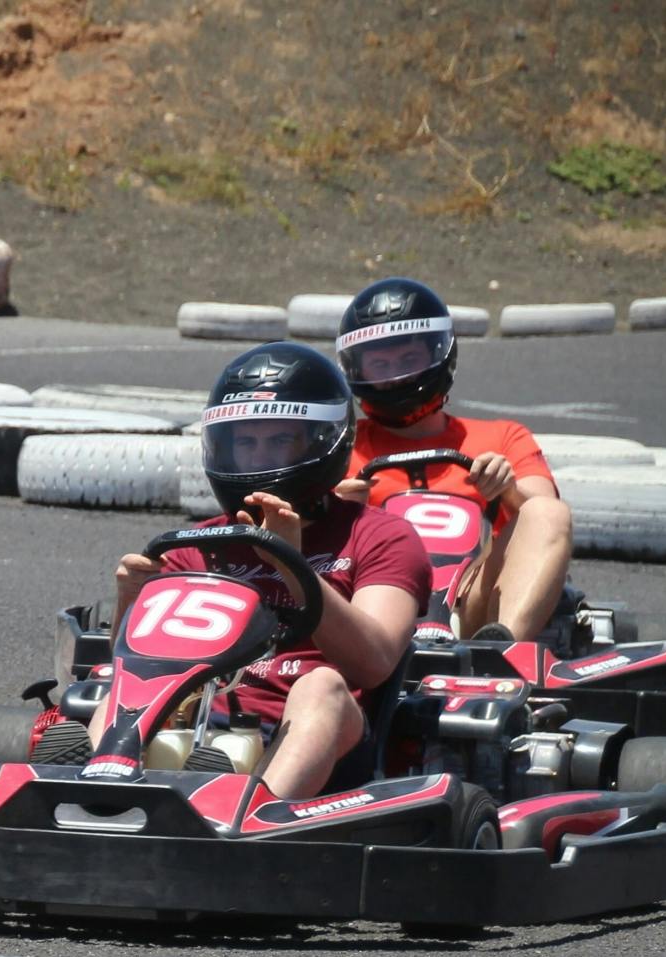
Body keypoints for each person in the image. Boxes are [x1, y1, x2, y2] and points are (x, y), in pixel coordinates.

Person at [105, 343, 430, 800]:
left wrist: (290, 562)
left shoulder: (379, 535)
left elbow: (373, 662)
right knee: (120, 692)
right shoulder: (196, 546)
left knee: (321, 685)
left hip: (322, 736)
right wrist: (129, 600)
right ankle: (97, 789)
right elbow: (140, 666)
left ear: (322, 442)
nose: (261, 460)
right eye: (246, 443)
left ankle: (249, 810)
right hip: (199, 719)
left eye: (279, 441)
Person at [337, 276, 571, 642]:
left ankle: (500, 649)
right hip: (367, 604)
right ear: (356, 369)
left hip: (471, 603)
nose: (396, 377)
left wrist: (507, 490)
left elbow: (546, 515)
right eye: (380, 364)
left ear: (439, 354)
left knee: (546, 512)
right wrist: (333, 512)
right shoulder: (340, 447)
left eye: (409, 359)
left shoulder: (502, 437)